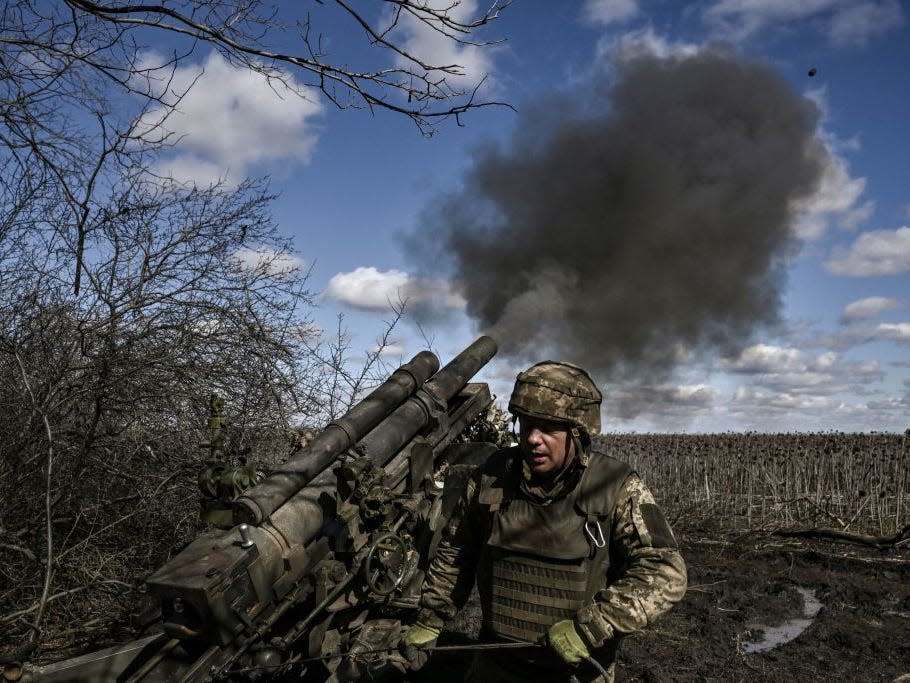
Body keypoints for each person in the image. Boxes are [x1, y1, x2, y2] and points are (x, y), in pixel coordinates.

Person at [401, 361, 687, 682]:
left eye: (548, 428)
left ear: (577, 433)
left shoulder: (615, 486)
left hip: (578, 670)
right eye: (526, 425)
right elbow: (457, 551)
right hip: (498, 665)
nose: (533, 439)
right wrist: (430, 619)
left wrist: (594, 625)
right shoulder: (492, 477)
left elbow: (664, 571)